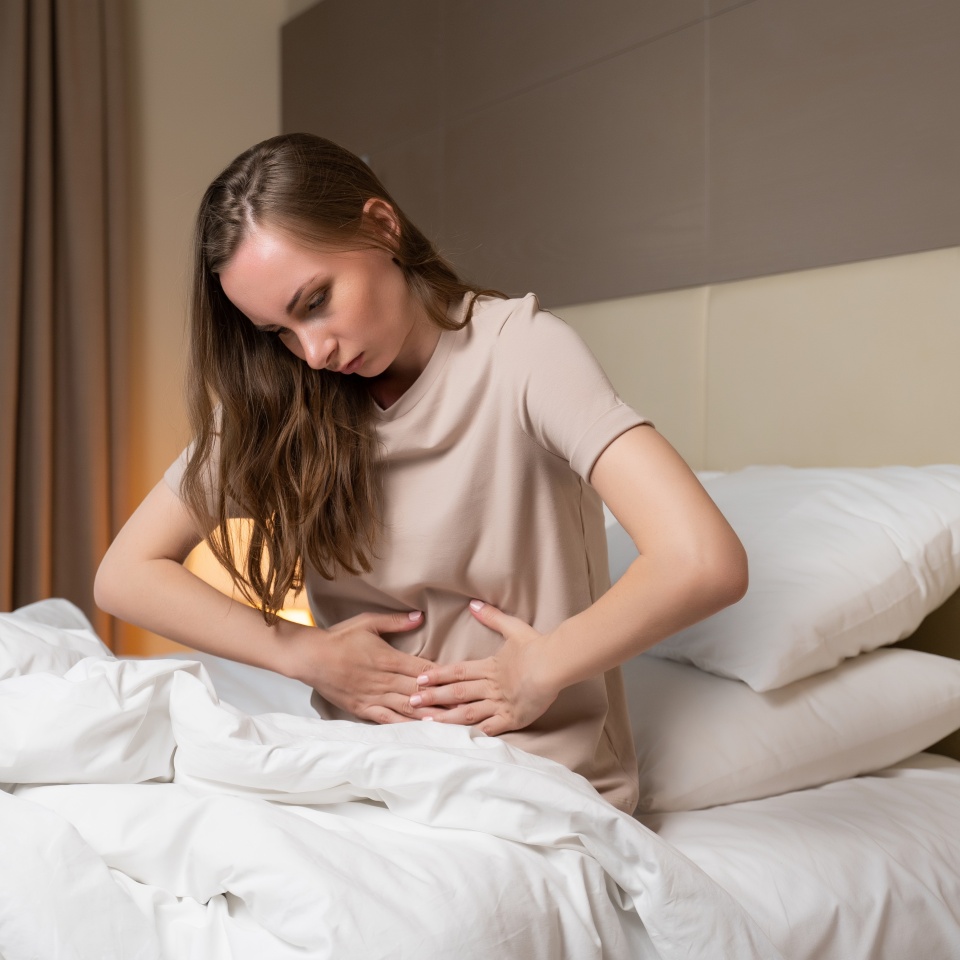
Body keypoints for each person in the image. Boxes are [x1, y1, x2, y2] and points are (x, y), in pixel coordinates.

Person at [95, 133, 747, 813]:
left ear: (383, 226)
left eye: (315, 302)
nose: (312, 352)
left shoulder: (521, 354)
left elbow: (703, 560)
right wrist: (304, 655)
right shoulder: (284, 397)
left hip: (526, 779)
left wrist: (541, 666)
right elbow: (125, 575)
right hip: (356, 775)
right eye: (277, 331)